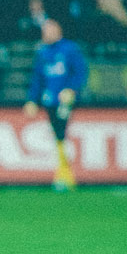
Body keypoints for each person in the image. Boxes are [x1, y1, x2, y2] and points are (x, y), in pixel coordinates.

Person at [24, 19, 87, 191]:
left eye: (48, 31)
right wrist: (32, 99)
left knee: (61, 133)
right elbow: (37, 78)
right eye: (43, 31)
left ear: (57, 31)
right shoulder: (42, 52)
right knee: (58, 136)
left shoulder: (70, 48)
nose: (45, 34)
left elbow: (81, 71)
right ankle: (64, 174)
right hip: (49, 100)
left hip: (65, 100)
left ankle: (65, 176)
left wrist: (72, 89)